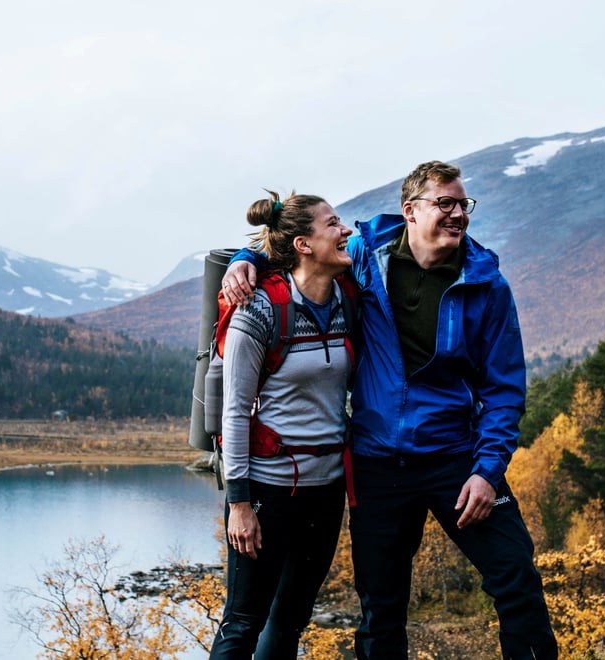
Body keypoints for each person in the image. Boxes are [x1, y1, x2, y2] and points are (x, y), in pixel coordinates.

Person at [223, 161, 559, 659]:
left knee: (517, 581)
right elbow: (298, 246)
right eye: (444, 203)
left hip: (457, 461)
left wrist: (488, 472)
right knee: (381, 608)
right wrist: (240, 259)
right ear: (410, 211)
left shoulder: (488, 286)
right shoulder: (364, 256)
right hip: (378, 465)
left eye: (463, 204)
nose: (457, 214)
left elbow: (505, 391)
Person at [209, 190, 355, 659]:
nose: (345, 230)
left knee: (291, 619)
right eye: (333, 223)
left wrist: (245, 254)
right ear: (303, 245)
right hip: (269, 495)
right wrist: (239, 504)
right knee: (243, 622)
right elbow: (234, 411)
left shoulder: (349, 299)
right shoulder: (259, 310)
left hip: (327, 492)